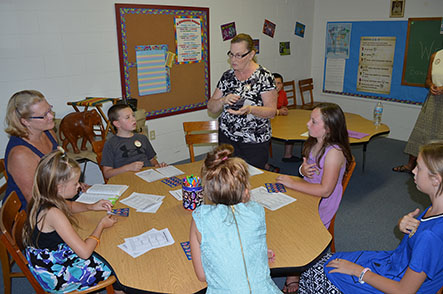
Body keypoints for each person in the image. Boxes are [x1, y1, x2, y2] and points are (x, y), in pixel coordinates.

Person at [298, 141, 443, 294]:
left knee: (312, 275)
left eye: (419, 168)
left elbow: (404, 291)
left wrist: (358, 271)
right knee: (319, 264)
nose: (413, 171)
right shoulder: (435, 210)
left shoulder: (431, 236)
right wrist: (407, 226)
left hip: (396, 283)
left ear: (435, 180)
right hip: (395, 264)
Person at [23, 148, 123, 293]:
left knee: (106, 249)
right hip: (56, 274)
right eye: (75, 183)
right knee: (116, 265)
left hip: (47, 259)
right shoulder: (54, 213)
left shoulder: (44, 197)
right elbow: (84, 253)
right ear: (59, 187)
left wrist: (92, 206)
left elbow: (70, 206)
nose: (79, 186)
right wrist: (101, 225)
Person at [276, 102, 352, 293]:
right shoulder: (314, 143)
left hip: (321, 202)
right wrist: (302, 169)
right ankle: (287, 258)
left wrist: (293, 183)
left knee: (291, 225)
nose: (308, 124)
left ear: (329, 129)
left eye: (313, 121)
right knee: (274, 212)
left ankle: (294, 274)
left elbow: (326, 190)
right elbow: (307, 170)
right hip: (308, 194)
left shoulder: (334, 152)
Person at [189, 144, 282, 293]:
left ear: (207, 190)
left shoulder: (200, 218)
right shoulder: (256, 211)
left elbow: (202, 275)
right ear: (246, 191)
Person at [207, 33, 277, 170]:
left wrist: (250, 109)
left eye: (239, 55)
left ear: (251, 54)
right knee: (227, 177)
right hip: (227, 138)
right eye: (231, 54)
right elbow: (211, 107)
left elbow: (271, 112)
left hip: (253, 141)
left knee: (253, 180)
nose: (233, 59)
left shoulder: (264, 77)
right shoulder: (228, 76)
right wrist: (222, 100)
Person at [4, 90, 59, 209]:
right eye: (44, 115)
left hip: (54, 199)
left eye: (49, 109)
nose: (51, 116)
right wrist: (80, 206)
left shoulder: (48, 132)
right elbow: (36, 203)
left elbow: (60, 171)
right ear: (25, 121)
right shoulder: (20, 154)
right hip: (31, 214)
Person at [393, 49, 443, 174]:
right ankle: (411, 165)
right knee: (421, 132)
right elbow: (427, 80)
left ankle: (437, 170)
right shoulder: (435, 56)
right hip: (434, 99)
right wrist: (431, 85)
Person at [101, 103, 166, 179]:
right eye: (127, 117)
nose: (133, 119)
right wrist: (127, 168)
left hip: (148, 176)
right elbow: (107, 173)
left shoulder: (142, 138)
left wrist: (157, 166)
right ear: (117, 123)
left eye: (133, 115)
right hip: (128, 179)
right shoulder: (110, 144)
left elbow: (152, 160)